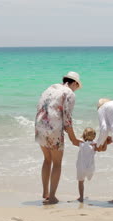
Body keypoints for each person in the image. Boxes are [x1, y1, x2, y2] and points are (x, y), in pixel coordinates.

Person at [35, 71, 82, 205]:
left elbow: (40, 106)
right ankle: (53, 197)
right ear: (74, 83)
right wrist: (73, 139)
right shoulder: (69, 93)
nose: (76, 90)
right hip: (53, 129)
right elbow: (67, 119)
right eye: (76, 87)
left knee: (47, 159)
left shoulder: (50, 88)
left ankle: (45, 192)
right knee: (57, 163)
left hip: (39, 125)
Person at [75, 127, 110, 202]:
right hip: (90, 168)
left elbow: (73, 141)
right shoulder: (94, 145)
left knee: (81, 182)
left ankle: (81, 197)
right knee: (88, 178)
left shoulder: (81, 143)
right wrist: (106, 141)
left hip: (81, 167)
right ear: (94, 136)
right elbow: (103, 149)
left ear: (84, 135)